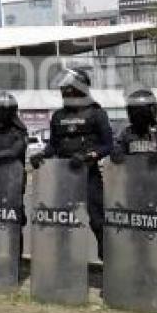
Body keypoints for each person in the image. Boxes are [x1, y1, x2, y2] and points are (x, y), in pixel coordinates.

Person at [31, 69, 113, 259]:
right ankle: (63, 261)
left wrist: (87, 156)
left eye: (68, 89)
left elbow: (108, 145)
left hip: (88, 175)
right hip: (63, 176)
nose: (64, 93)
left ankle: (109, 261)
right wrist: (41, 155)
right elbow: (53, 145)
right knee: (62, 219)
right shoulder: (58, 116)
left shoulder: (96, 113)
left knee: (97, 220)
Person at [110, 89, 157, 301]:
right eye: (135, 111)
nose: (138, 116)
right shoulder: (126, 133)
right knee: (137, 238)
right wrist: (116, 154)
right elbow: (116, 151)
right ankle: (140, 277)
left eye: (142, 111)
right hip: (135, 193)